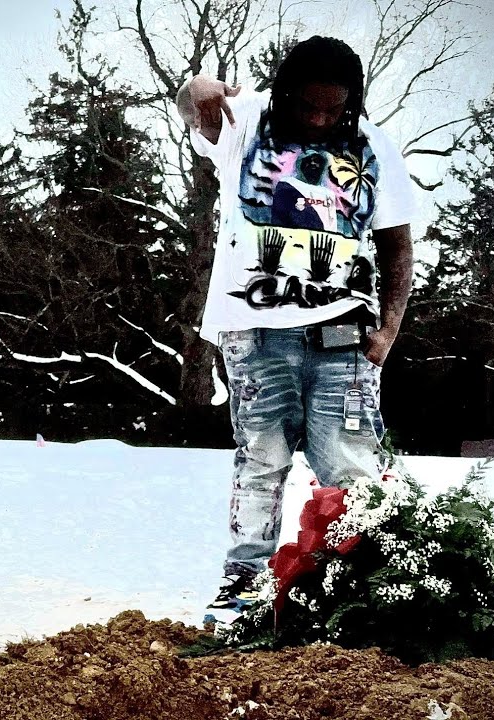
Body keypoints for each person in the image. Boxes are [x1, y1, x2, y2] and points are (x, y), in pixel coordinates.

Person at [176, 36, 417, 624]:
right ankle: (244, 585)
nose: (319, 119)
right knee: (261, 459)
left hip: (346, 338)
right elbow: (193, 107)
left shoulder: (374, 146)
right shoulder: (246, 118)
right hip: (255, 332)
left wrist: (388, 330)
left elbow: (397, 246)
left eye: (333, 109)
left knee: (351, 469)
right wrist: (197, 90)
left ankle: (357, 589)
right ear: (285, 92)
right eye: (307, 105)